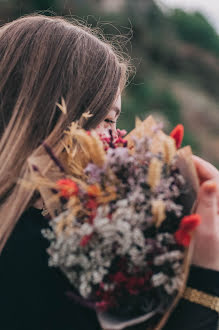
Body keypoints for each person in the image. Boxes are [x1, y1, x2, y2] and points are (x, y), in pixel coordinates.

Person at [0, 14, 219, 330]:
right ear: (51, 119)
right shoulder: (40, 266)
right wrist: (204, 282)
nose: (118, 143)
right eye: (108, 121)